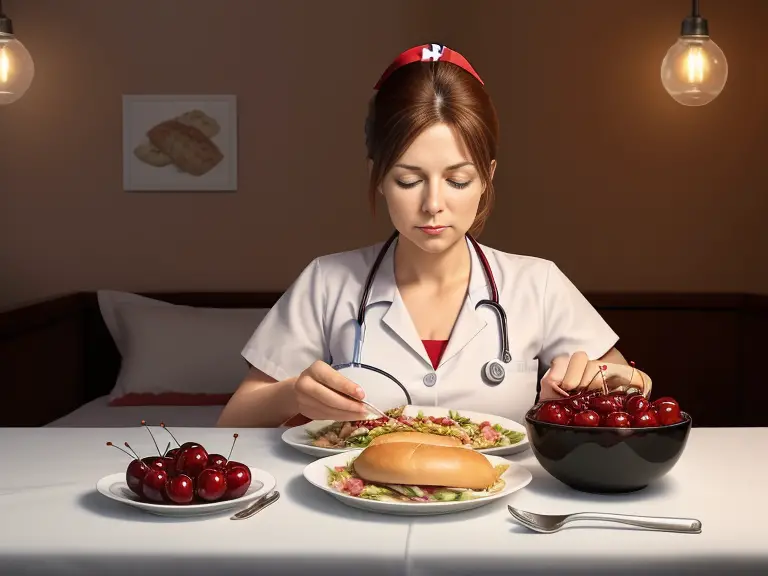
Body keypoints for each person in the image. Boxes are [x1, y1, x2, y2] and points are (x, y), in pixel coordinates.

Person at [217, 43, 636, 429]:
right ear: (378, 177)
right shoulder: (326, 282)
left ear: (487, 178)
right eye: (408, 180)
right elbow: (232, 422)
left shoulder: (538, 284)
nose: (433, 204)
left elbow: (631, 388)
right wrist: (293, 394)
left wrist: (616, 379)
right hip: (360, 505)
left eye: (457, 180)